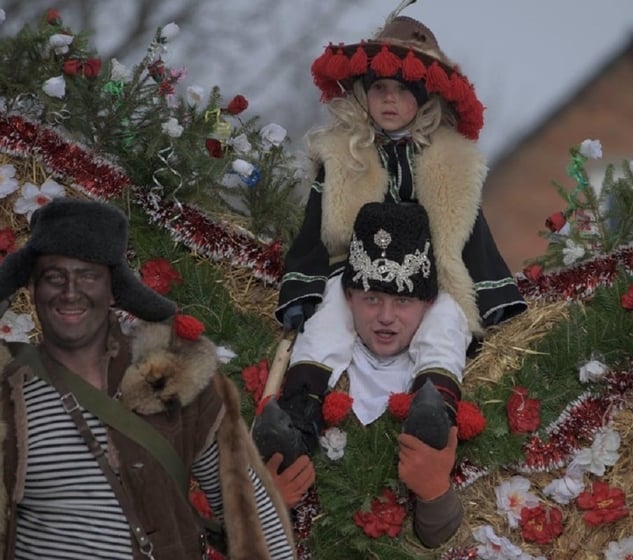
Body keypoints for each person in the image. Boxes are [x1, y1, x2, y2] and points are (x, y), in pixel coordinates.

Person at [271, 8, 527, 466]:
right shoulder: (340, 154)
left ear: (424, 98)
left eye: (402, 90)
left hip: (426, 281)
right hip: (355, 275)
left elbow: (473, 236)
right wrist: (302, 290)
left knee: (446, 320)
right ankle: (300, 413)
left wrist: (495, 298)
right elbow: (314, 232)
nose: (389, 101)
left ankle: (432, 407)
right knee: (328, 318)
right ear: (363, 93)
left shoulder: (453, 163)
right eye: (379, 89)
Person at [0, 198, 296, 560]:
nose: (70, 291)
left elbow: (250, 513)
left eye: (88, 274)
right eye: (53, 276)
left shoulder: (171, 380)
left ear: (114, 289)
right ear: (32, 288)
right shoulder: (10, 390)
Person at [256, 201, 464, 547]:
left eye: (403, 301)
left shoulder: (448, 351)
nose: (385, 317)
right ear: (348, 296)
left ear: (428, 304)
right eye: (371, 299)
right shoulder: (326, 345)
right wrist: (265, 503)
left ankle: (433, 418)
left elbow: (442, 543)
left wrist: (434, 492)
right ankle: (298, 419)